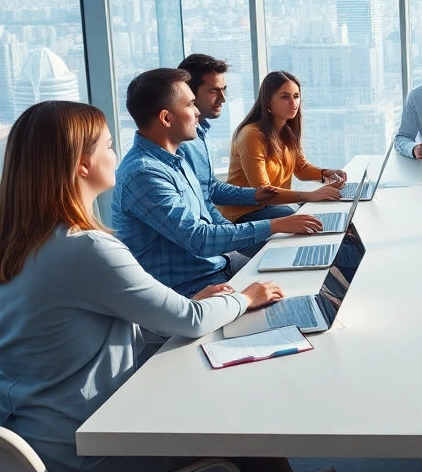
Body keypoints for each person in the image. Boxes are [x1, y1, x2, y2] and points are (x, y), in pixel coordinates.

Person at [0, 101, 337, 472]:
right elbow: (190, 321)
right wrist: (245, 297)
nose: (117, 154)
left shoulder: (1, 245)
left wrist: (192, 303)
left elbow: (78, 323)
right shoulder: (85, 248)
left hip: (32, 441)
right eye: (109, 145)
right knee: (238, 412)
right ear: (83, 164)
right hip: (91, 448)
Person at [113, 69, 322, 297]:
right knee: (290, 295)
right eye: (190, 104)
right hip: (190, 287)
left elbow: (207, 206)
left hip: (217, 266)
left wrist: (244, 225)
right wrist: (274, 225)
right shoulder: (144, 175)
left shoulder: (175, 160)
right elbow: (198, 239)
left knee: (299, 267)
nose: (196, 113)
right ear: (166, 118)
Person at [220, 71, 347, 223]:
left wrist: (326, 173)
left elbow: (301, 168)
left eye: (296, 96)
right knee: (305, 216)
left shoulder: (287, 130)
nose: (294, 104)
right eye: (284, 97)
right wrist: (310, 195)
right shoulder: (251, 135)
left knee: (326, 214)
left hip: (272, 209)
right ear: (268, 101)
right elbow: (264, 191)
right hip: (244, 216)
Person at [175, 53, 280, 222]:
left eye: (223, 90)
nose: (223, 99)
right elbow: (201, 204)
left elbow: (209, 188)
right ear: (190, 93)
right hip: (209, 232)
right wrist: (231, 231)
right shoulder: (181, 143)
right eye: (213, 91)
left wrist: (254, 195)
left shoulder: (201, 134)